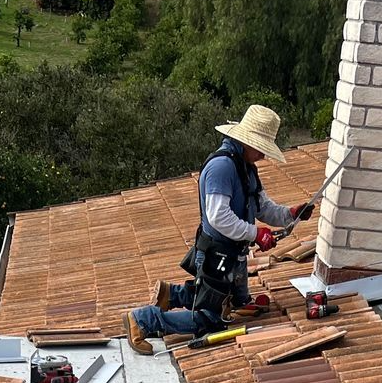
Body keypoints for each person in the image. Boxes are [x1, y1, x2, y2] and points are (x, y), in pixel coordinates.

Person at [125, 105, 314, 354]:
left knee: (235, 300)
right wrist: (255, 233)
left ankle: (170, 295)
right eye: (262, 149)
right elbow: (218, 217)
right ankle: (143, 320)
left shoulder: (245, 167)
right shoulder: (222, 167)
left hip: (232, 256)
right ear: (248, 141)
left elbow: (262, 207)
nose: (263, 156)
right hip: (217, 255)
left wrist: (290, 215)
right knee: (211, 319)